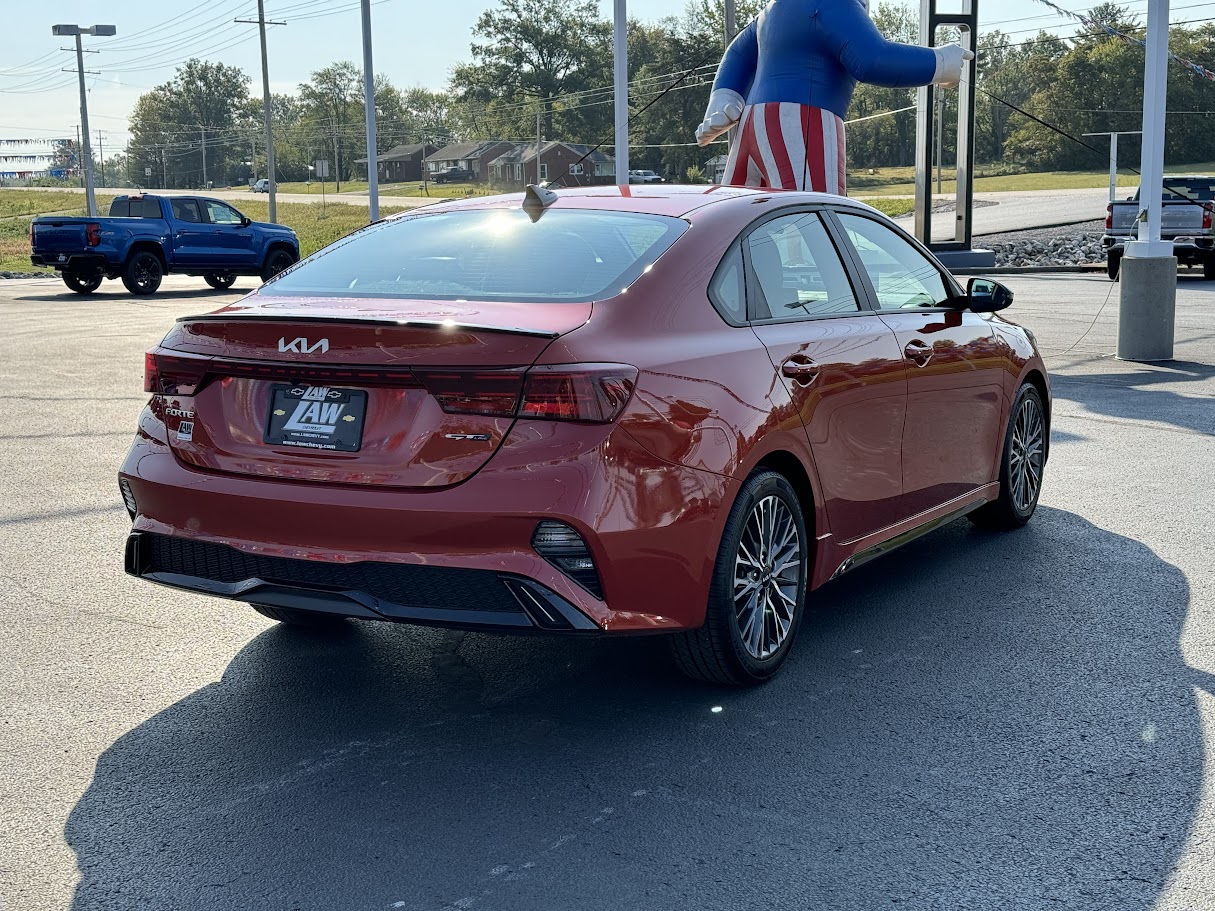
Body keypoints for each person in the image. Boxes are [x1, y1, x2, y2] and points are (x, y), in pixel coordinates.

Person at [696, 0, 973, 194]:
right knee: (816, 223)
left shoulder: (773, 9)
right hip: (804, 121)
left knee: (740, 222)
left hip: (752, 125)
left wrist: (724, 95)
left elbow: (737, 53)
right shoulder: (833, 3)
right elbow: (871, 59)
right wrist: (939, 63)